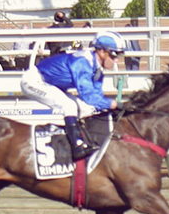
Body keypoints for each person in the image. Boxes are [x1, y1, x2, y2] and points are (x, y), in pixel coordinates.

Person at [20, 31, 125, 162]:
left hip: (51, 83)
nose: (116, 61)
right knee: (68, 105)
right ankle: (77, 146)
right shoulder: (83, 62)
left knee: (86, 109)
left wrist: (112, 107)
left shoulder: (97, 70)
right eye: (114, 55)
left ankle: (84, 139)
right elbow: (88, 96)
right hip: (34, 80)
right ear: (102, 52)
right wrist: (114, 104)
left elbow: (96, 98)